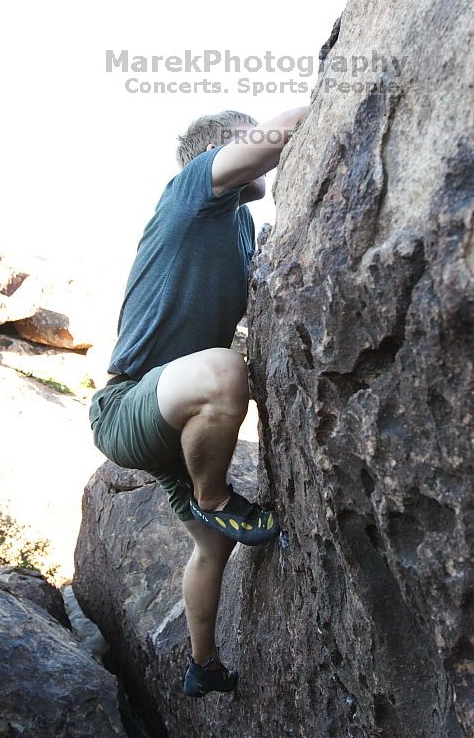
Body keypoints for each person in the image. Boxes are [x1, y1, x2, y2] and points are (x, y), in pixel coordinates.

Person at [88, 104, 309, 697]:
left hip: (174, 417)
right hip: (130, 405)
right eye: (245, 137)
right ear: (221, 150)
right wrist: (328, 102)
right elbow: (275, 138)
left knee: (213, 549)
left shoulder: (237, 224)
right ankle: (214, 495)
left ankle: (203, 665)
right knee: (222, 371)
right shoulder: (191, 190)